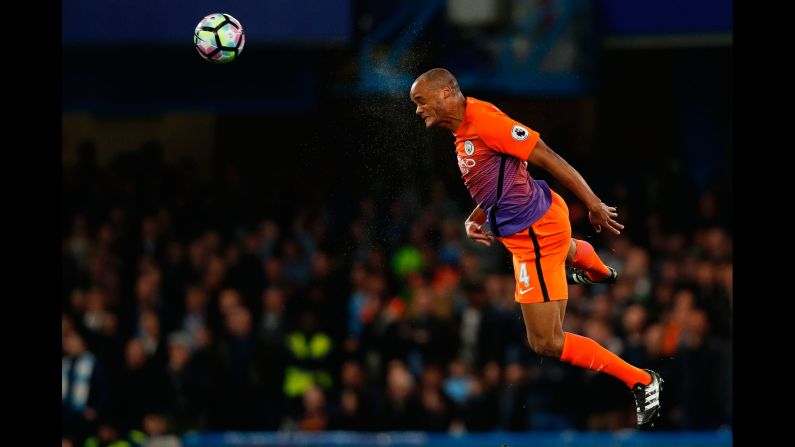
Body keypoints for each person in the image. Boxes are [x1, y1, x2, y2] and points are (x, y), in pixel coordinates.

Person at [409, 68, 662, 428]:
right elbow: (506, 173)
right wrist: (476, 216)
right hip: (541, 222)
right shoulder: (466, 126)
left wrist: (592, 203)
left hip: (535, 238)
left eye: (421, 101)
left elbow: (546, 155)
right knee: (559, 275)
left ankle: (641, 379)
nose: (418, 110)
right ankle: (599, 271)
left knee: (546, 341)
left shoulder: (485, 122)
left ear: (448, 92)